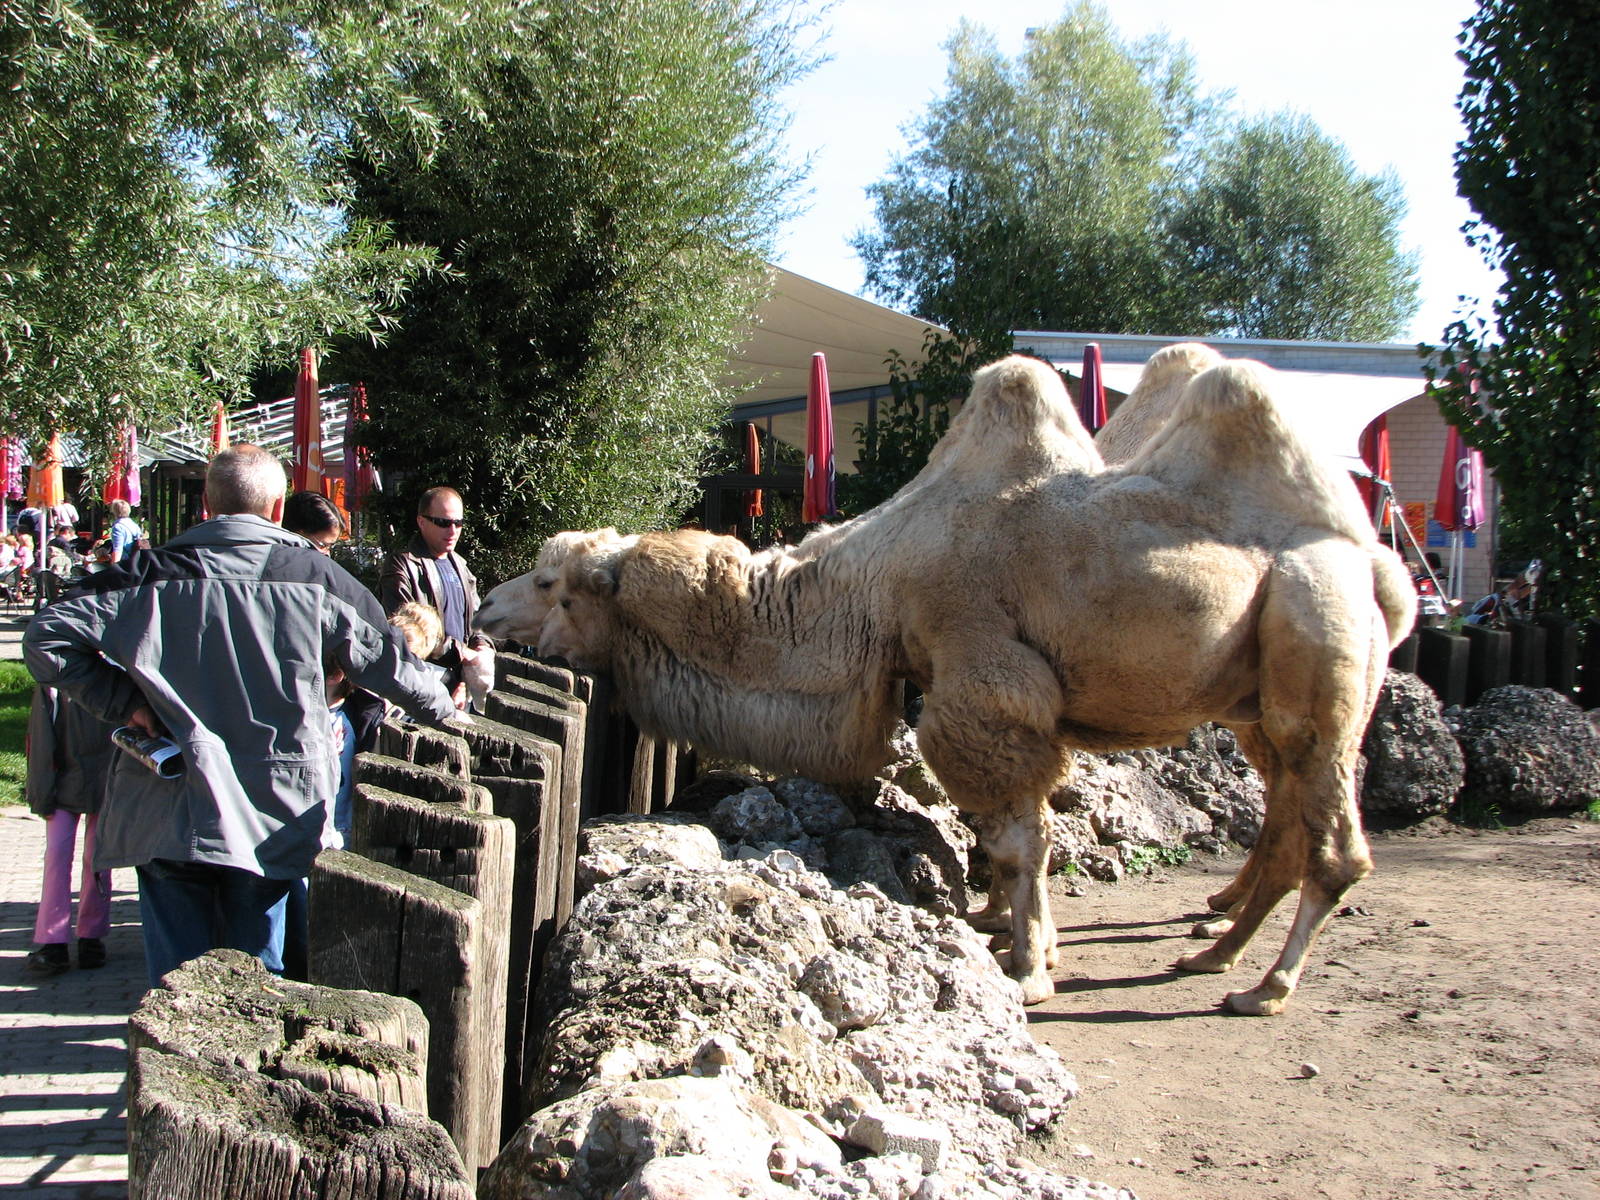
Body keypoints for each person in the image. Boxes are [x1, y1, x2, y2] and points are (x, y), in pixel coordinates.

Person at [24, 444, 461, 987]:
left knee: (174, 988)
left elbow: (46, 637)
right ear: (279, 509)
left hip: (168, 808)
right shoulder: (319, 580)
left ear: (206, 504)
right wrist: (456, 716)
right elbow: (399, 671)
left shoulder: (146, 573)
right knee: (262, 985)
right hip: (273, 814)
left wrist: (125, 702)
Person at [24, 686, 119, 973]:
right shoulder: (53, 684)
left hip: (108, 784)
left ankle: (91, 936)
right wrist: (41, 793)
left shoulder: (116, 677)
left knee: (98, 861)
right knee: (56, 857)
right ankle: (52, 942)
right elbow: (41, 741)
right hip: (61, 784)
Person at [379, 486, 494, 700]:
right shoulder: (402, 565)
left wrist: (482, 650)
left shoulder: (460, 565)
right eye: (443, 523)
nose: (452, 531)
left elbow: (478, 621)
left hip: (458, 688)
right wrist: (464, 655)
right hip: (420, 686)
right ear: (421, 522)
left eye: (458, 523)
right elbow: (407, 632)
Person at [106, 499, 144, 565]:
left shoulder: (118, 527)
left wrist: (113, 569)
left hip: (125, 564)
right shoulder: (134, 525)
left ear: (114, 511)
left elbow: (118, 551)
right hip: (136, 562)